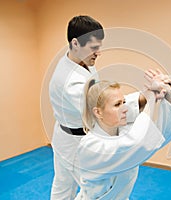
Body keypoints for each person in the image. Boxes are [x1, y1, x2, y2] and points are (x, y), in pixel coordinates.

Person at [49, 15, 147, 200]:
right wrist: (146, 96)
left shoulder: (80, 62)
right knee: (97, 193)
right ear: (76, 43)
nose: (98, 52)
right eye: (94, 48)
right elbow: (103, 105)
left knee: (63, 186)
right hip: (73, 143)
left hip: (66, 135)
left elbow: (100, 96)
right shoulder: (70, 80)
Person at [74, 69, 171, 200]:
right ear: (98, 112)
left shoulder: (124, 131)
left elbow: (166, 131)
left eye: (124, 102)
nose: (125, 108)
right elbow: (138, 142)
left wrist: (167, 94)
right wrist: (152, 97)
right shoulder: (91, 146)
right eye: (117, 104)